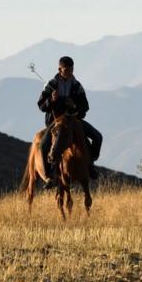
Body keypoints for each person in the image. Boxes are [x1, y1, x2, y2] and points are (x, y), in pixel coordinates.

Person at [37, 56, 102, 189]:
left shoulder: (77, 86)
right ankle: (49, 176)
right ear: (59, 69)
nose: (69, 72)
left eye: (71, 69)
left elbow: (85, 106)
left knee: (97, 137)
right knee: (43, 144)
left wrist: (74, 106)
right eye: (66, 69)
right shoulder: (50, 85)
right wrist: (51, 100)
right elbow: (41, 106)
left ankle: (90, 164)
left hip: (74, 120)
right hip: (56, 122)